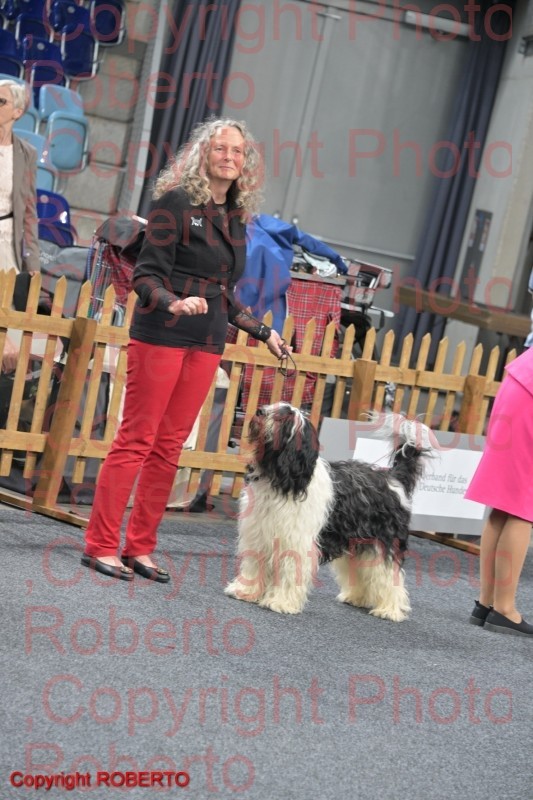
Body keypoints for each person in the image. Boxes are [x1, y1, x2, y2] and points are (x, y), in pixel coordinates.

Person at [82, 117, 288, 582]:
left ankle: (140, 547)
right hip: (162, 332)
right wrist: (173, 301)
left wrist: (263, 333)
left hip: (208, 338)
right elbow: (145, 276)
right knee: (136, 439)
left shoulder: (235, 216)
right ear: (203, 153)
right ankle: (100, 545)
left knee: (170, 446)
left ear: (246, 162)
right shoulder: (174, 203)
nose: (229, 157)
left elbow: (223, 292)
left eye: (238, 151)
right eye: (221, 149)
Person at [465, 345, 533, 636]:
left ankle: (486, 603)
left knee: (506, 503)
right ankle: (504, 609)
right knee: (523, 505)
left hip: (521, 381)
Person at [0, 78, 40, 373]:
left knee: (10, 318)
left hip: (6, 241)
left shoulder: (26, 153)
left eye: (1, 101)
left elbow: (28, 211)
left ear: (17, 111)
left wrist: (33, 262)